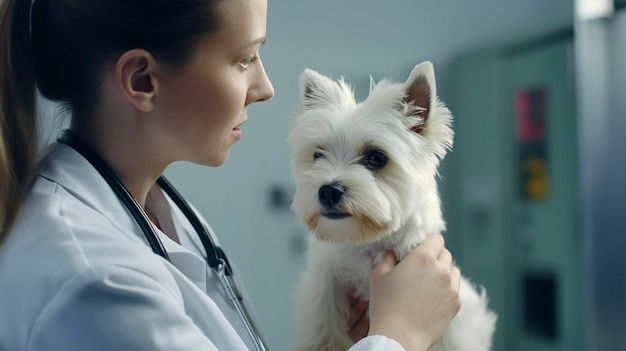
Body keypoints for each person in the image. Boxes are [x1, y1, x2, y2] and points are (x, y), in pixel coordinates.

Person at [0, 0, 461, 350]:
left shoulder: (169, 217)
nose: (265, 88)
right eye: (245, 59)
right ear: (143, 81)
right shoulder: (93, 284)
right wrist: (398, 335)